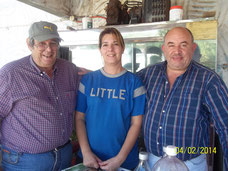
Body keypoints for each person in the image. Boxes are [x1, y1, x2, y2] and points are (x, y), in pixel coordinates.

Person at [137, 27, 228, 171]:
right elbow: (123, 83)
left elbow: (226, 127)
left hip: (190, 164)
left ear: (193, 48)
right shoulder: (148, 74)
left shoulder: (209, 80)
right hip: (152, 162)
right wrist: (92, 76)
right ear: (164, 49)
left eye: (183, 45)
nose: (177, 51)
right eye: (171, 45)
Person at [0, 21, 83, 171]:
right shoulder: (10, 74)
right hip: (24, 162)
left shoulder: (69, 70)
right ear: (30, 44)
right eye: (42, 44)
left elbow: (93, 80)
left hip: (64, 156)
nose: (49, 49)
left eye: (53, 43)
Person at [75, 27, 146, 170]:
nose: (110, 49)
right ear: (100, 49)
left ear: (123, 47)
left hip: (123, 162)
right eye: (105, 44)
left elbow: (136, 124)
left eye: (115, 44)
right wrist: (86, 152)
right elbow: (79, 119)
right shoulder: (88, 80)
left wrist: (119, 159)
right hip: (89, 160)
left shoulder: (134, 82)